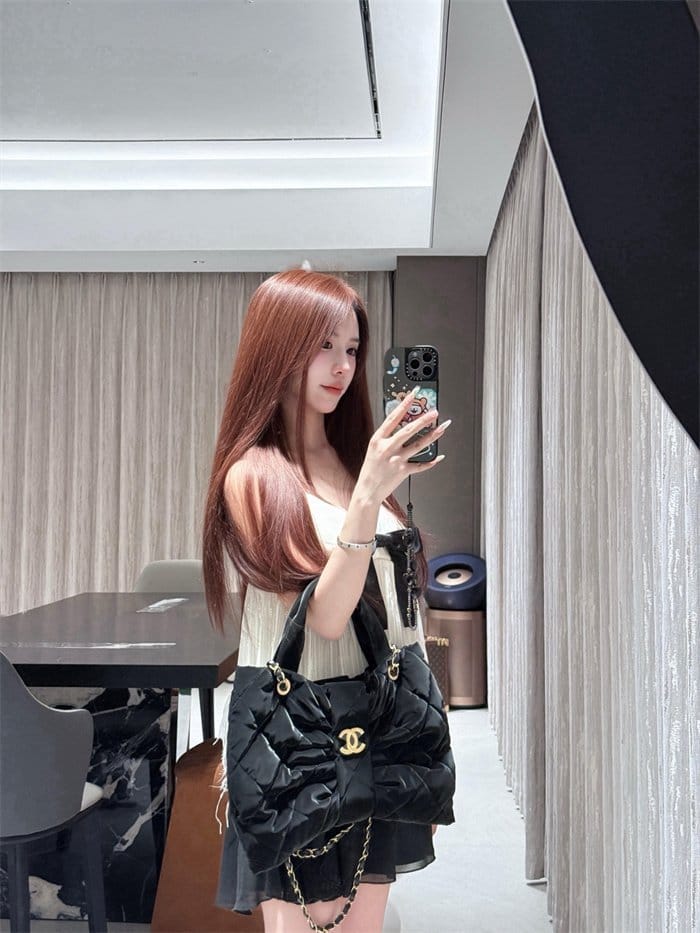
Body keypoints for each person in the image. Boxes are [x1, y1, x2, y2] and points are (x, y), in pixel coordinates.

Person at [202, 269, 450, 933]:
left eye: (352, 348)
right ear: (278, 347)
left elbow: (393, 605)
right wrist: (367, 496)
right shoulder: (252, 477)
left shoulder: (352, 463)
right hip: (298, 741)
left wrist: (423, 724)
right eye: (323, 345)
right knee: (308, 923)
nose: (343, 366)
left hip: (378, 727)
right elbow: (325, 619)